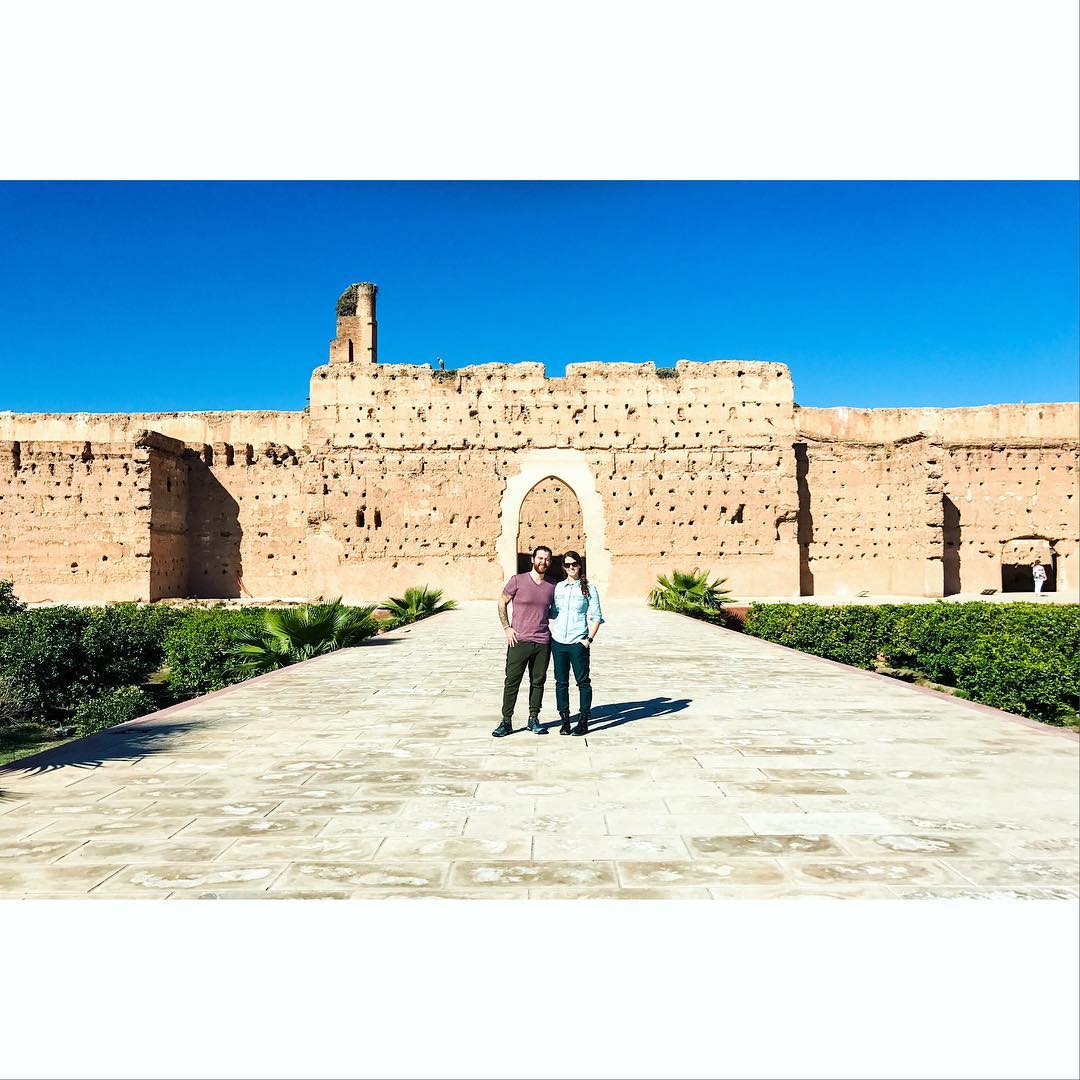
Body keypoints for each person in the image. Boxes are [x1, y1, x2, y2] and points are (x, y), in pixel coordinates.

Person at [493, 546, 556, 737]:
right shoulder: (517, 581)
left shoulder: (553, 585)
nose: (542, 562)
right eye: (539, 558)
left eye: (546, 559)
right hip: (519, 641)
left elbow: (557, 610)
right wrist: (506, 627)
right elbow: (502, 601)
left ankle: (533, 719)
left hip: (542, 641)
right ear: (532, 559)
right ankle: (506, 721)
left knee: (538, 682)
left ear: (550, 562)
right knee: (512, 681)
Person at [548, 550, 604, 736]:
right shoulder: (559, 588)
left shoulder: (589, 588)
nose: (571, 567)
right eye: (567, 565)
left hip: (578, 642)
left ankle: (583, 720)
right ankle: (565, 720)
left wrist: (588, 640)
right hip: (558, 642)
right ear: (563, 567)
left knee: (583, 682)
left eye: (574, 564)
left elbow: (596, 616)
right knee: (561, 682)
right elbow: (553, 612)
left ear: (580, 565)